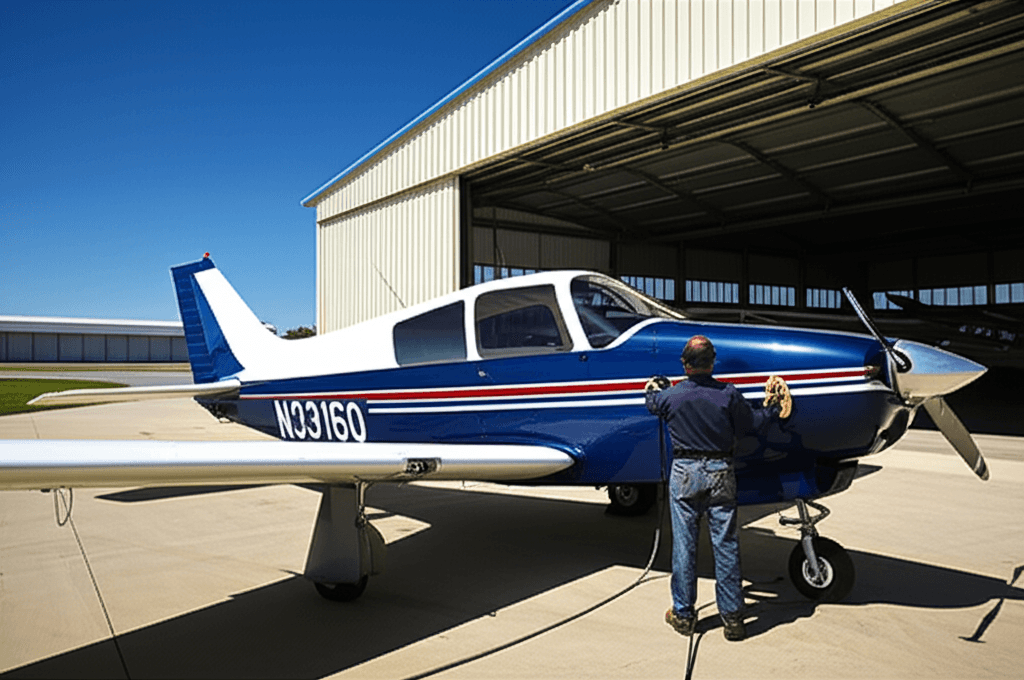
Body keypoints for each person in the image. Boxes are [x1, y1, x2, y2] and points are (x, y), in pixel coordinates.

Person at [645, 335, 790, 642]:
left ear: (685, 365)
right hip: (720, 471)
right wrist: (774, 410)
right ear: (712, 363)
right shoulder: (728, 394)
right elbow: (750, 424)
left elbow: (652, 402)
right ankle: (734, 619)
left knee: (684, 546)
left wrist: (653, 387)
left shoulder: (672, 396)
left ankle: (683, 615)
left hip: (684, 474)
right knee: (725, 544)